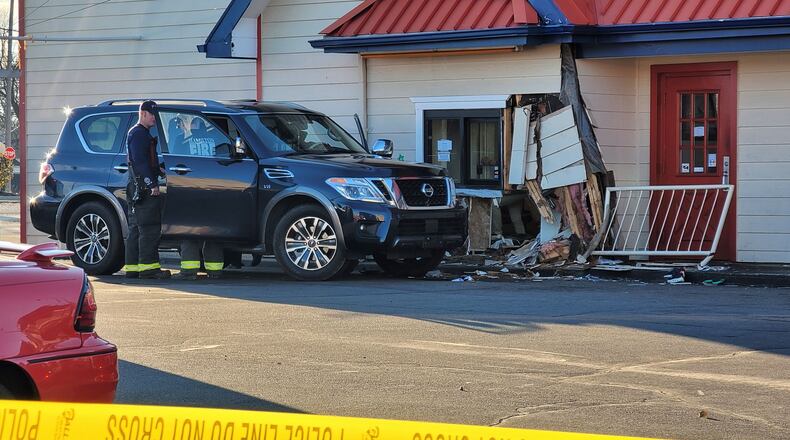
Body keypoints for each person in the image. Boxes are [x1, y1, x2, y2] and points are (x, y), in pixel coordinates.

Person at [122, 100, 171, 279]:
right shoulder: (139, 134)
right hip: (143, 188)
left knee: (136, 228)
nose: (154, 119)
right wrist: (152, 184)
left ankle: (133, 269)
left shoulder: (138, 133)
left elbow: (144, 160)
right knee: (149, 228)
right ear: (143, 113)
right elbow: (139, 162)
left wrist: (160, 169)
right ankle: (149, 268)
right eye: (152, 115)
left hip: (136, 187)